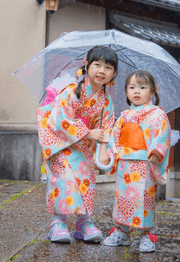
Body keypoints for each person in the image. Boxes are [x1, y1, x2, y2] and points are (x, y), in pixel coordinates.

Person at [36, 45, 118, 243]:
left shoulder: (106, 101)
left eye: (108, 68)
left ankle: (84, 222)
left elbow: (107, 128)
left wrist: (105, 150)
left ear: (113, 73)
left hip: (83, 146)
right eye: (97, 65)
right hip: (60, 143)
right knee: (64, 180)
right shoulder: (72, 91)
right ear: (86, 65)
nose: (101, 71)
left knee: (86, 180)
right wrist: (88, 132)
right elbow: (59, 121)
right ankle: (58, 222)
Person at [102, 70, 171, 253]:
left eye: (142, 87)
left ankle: (148, 234)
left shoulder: (157, 114)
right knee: (123, 198)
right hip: (125, 163)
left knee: (144, 199)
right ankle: (123, 232)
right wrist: (109, 153)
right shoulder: (124, 115)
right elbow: (114, 138)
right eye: (132, 87)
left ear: (152, 91)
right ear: (126, 91)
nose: (136, 91)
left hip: (145, 164)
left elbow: (161, 134)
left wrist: (157, 151)